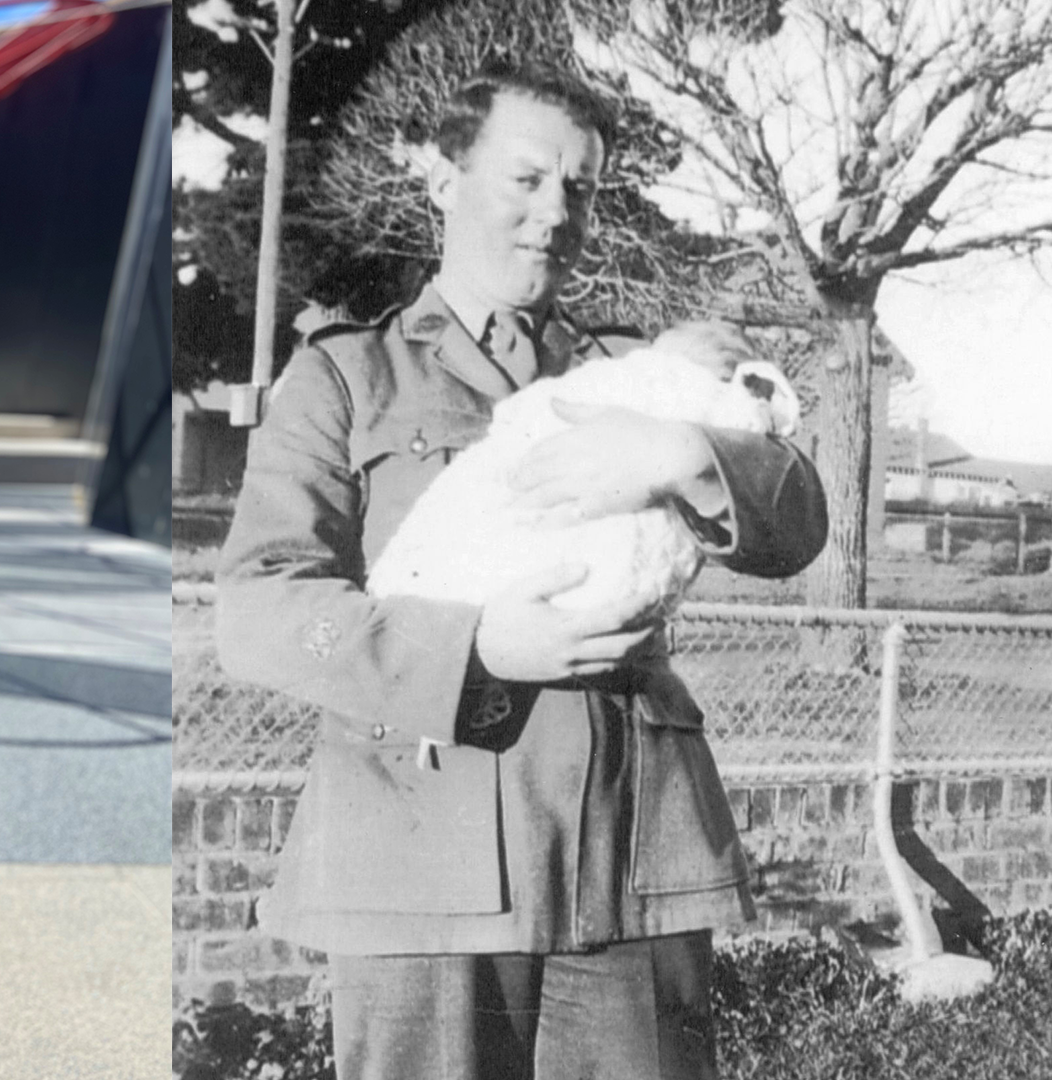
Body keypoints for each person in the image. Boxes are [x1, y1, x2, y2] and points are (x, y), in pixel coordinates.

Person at [214, 63, 828, 1080]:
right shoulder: (344, 376)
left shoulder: (637, 374)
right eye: (527, 179)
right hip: (423, 863)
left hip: (632, 853)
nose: (556, 214)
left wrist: (674, 449)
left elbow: (797, 521)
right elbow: (259, 610)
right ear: (445, 177)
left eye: (580, 189)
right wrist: (474, 648)